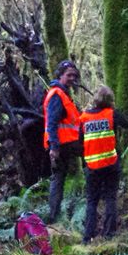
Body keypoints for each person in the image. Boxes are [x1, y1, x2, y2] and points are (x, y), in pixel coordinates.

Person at [78, 86, 128, 244]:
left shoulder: (84, 117)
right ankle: (109, 234)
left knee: (91, 201)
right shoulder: (112, 114)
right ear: (110, 101)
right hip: (110, 164)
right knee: (110, 198)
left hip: (92, 166)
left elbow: (80, 141)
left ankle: (87, 238)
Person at [44, 60, 82, 225]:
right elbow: (52, 122)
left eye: (74, 75)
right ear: (60, 75)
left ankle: (55, 215)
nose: (72, 78)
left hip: (67, 143)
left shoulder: (64, 94)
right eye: (69, 75)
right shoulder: (57, 95)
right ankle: (54, 216)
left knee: (59, 178)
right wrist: (54, 147)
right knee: (58, 178)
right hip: (62, 144)